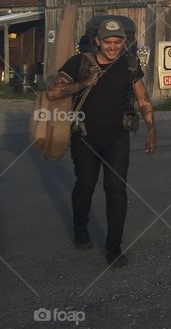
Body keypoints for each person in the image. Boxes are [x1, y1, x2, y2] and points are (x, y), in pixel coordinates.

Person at [47, 19, 157, 268]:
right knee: (85, 186)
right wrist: (84, 83)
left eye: (118, 41)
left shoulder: (129, 64)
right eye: (108, 41)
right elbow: (52, 92)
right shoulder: (80, 63)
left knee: (116, 191)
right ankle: (80, 228)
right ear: (97, 41)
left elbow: (143, 99)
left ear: (124, 42)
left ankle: (113, 248)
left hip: (117, 137)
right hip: (84, 137)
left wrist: (151, 128)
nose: (113, 46)